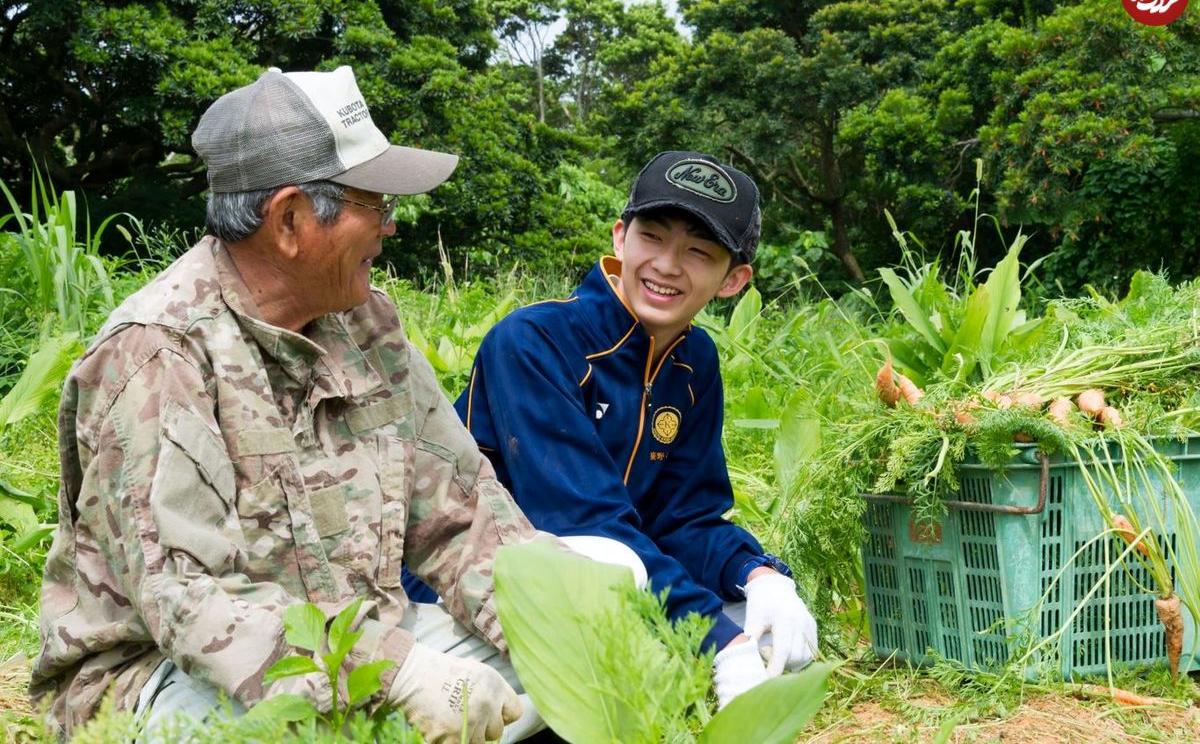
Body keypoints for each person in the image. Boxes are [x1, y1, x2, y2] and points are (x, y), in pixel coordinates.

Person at [30, 65, 547, 744]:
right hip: (164, 677)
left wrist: (544, 624)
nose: (391, 228)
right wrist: (395, 675)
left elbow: (463, 514)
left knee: (581, 593)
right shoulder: (159, 354)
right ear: (292, 219)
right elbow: (191, 605)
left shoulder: (367, 327)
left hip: (353, 643)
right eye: (377, 206)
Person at [406, 151, 819, 709]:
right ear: (621, 238)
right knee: (621, 572)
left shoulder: (694, 362)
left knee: (768, 625)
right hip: (465, 587)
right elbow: (581, 522)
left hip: (602, 573)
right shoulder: (534, 341)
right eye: (653, 237)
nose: (668, 265)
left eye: (699, 251)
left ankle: (661, 667)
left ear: (733, 280)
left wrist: (760, 575)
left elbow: (684, 518)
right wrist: (720, 642)